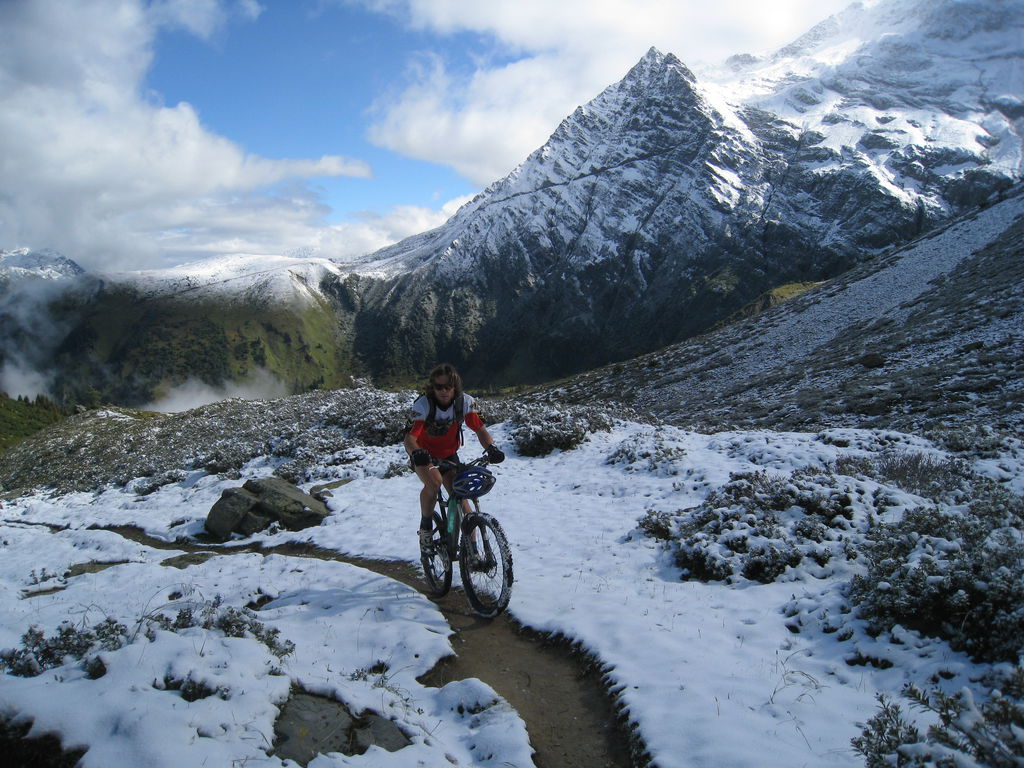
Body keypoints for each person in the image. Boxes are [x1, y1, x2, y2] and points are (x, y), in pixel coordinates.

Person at [404, 363, 505, 547]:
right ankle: (426, 526)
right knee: (434, 483)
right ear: (432, 387)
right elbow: (410, 438)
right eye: (438, 387)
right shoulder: (423, 405)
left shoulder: (465, 402)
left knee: (460, 494)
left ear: (455, 387)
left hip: (449, 454)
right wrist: (416, 452)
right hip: (424, 455)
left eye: (448, 387)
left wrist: (491, 448)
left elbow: (480, 429)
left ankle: (471, 548)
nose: (443, 391)